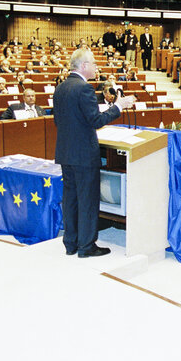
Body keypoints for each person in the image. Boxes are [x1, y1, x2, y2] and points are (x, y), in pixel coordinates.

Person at [53, 48, 135, 258]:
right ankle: (87, 246)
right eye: (94, 64)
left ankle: (71, 243)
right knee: (87, 200)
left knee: (70, 198)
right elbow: (95, 121)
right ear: (84, 66)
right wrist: (118, 106)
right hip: (83, 155)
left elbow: (60, 121)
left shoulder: (60, 87)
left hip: (66, 152)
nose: (97, 68)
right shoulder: (84, 89)